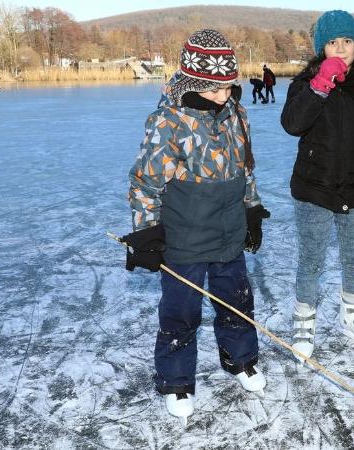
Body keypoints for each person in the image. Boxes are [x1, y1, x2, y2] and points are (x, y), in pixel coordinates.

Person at [124, 29, 271, 425]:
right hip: (184, 237)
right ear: (193, 81)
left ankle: (240, 360)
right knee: (181, 312)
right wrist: (147, 234)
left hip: (227, 232)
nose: (225, 93)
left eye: (229, 85)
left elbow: (247, 169)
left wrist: (252, 211)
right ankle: (176, 382)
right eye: (215, 87)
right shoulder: (169, 121)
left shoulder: (237, 114)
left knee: (237, 300)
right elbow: (145, 182)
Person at [280, 10, 354, 363]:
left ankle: (352, 316)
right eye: (332, 42)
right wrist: (320, 85)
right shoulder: (304, 84)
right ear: (322, 48)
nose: (340, 48)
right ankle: (304, 320)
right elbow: (292, 124)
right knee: (311, 260)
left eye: (347, 41)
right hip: (314, 188)